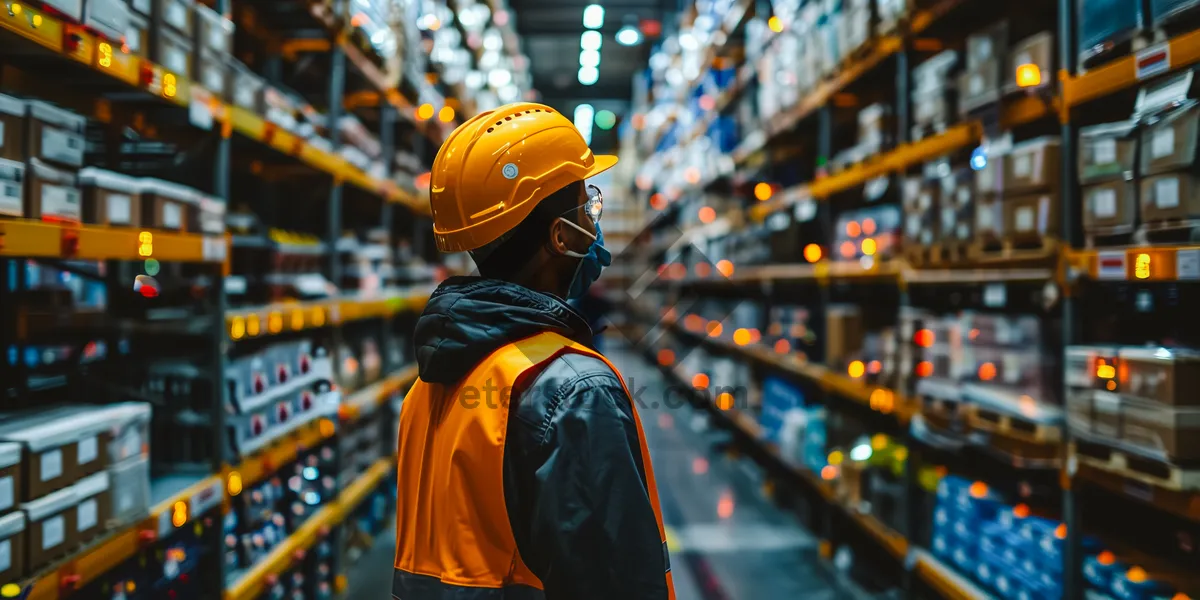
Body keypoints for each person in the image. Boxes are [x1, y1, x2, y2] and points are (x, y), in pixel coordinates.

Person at [393, 102, 675, 600]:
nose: (595, 218)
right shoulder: (572, 389)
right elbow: (616, 581)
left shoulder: (427, 387)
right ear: (561, 237)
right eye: (587, 206)